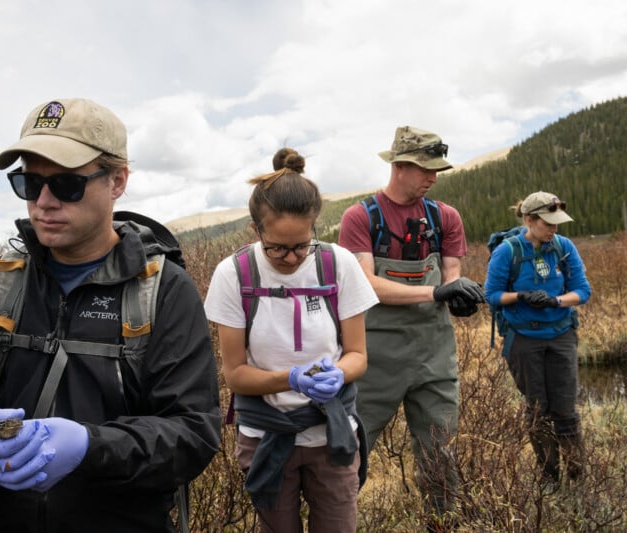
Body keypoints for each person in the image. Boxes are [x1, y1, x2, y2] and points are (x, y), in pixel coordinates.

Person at [0, 98, 221, 532]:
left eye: (66, 185)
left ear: (117, 181)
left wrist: (90, 448)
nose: (43, 202)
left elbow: (192, 435)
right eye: (28, 183)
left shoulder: (165, 291)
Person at [204, 148, 378, 532]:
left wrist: (339, 372)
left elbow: (357, 355)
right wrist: (291, 379)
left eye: (302, 245)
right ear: (255, 231)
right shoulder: (234, 275)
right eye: (277, 248)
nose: (291, 258)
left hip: (331, 434)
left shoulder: (338, 264)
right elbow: (235, 375)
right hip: (266, 437)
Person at [338, 126, 485, 522]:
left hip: (434, 352)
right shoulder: (360, 217)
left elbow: (450, 275)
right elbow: (367, 285)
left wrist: (459, 298)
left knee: (439, 449)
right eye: (425, 169)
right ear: (399, 165)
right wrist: (435, 294)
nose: (433, 178)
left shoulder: (445, 217)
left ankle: (441, 522)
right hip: (375, 354)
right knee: (352, 447)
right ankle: (336, 521)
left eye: (437, 170)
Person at [484, 191, 591, 483]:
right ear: (529, 220)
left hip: (561, 335)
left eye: (557, 223)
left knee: (566, 410)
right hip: (523, 338)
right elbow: (491, 295)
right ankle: (549, 478)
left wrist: (556, 301)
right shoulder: (508, 251)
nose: (554, 229)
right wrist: (521, 296)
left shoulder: (564, 247)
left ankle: (577, 476)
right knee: (537, 410)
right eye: (548, 223)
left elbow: (583, 290)